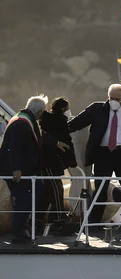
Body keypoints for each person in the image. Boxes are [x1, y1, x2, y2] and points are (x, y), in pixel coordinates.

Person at [68, 84, 121, 228]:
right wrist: (56, 129)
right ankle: (94, 224)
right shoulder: (97, 109)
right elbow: (76, 123)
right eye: (111, 98)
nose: (113, 101)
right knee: (100, 189)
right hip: (103, 154)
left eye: (117, 99)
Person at [0, 95, 49, 242]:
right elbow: (14, 148)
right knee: (25, 197)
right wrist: (16, 169)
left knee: (37, 189)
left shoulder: (22, 119)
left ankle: (22, 224)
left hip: (26, 170)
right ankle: (18, 230)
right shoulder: (22, 124)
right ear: (39, 112)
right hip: (17, 170)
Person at [36, 97, 77, 232]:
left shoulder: (48, 122)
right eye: (67, 108)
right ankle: (59, 219)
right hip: (49, 162)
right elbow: (67, 143)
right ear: (62, 109)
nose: (68, 111)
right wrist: (72, 162)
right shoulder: (58, 123)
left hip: (50, 162)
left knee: (49, 192)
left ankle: (38, 219)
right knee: (56, 189)